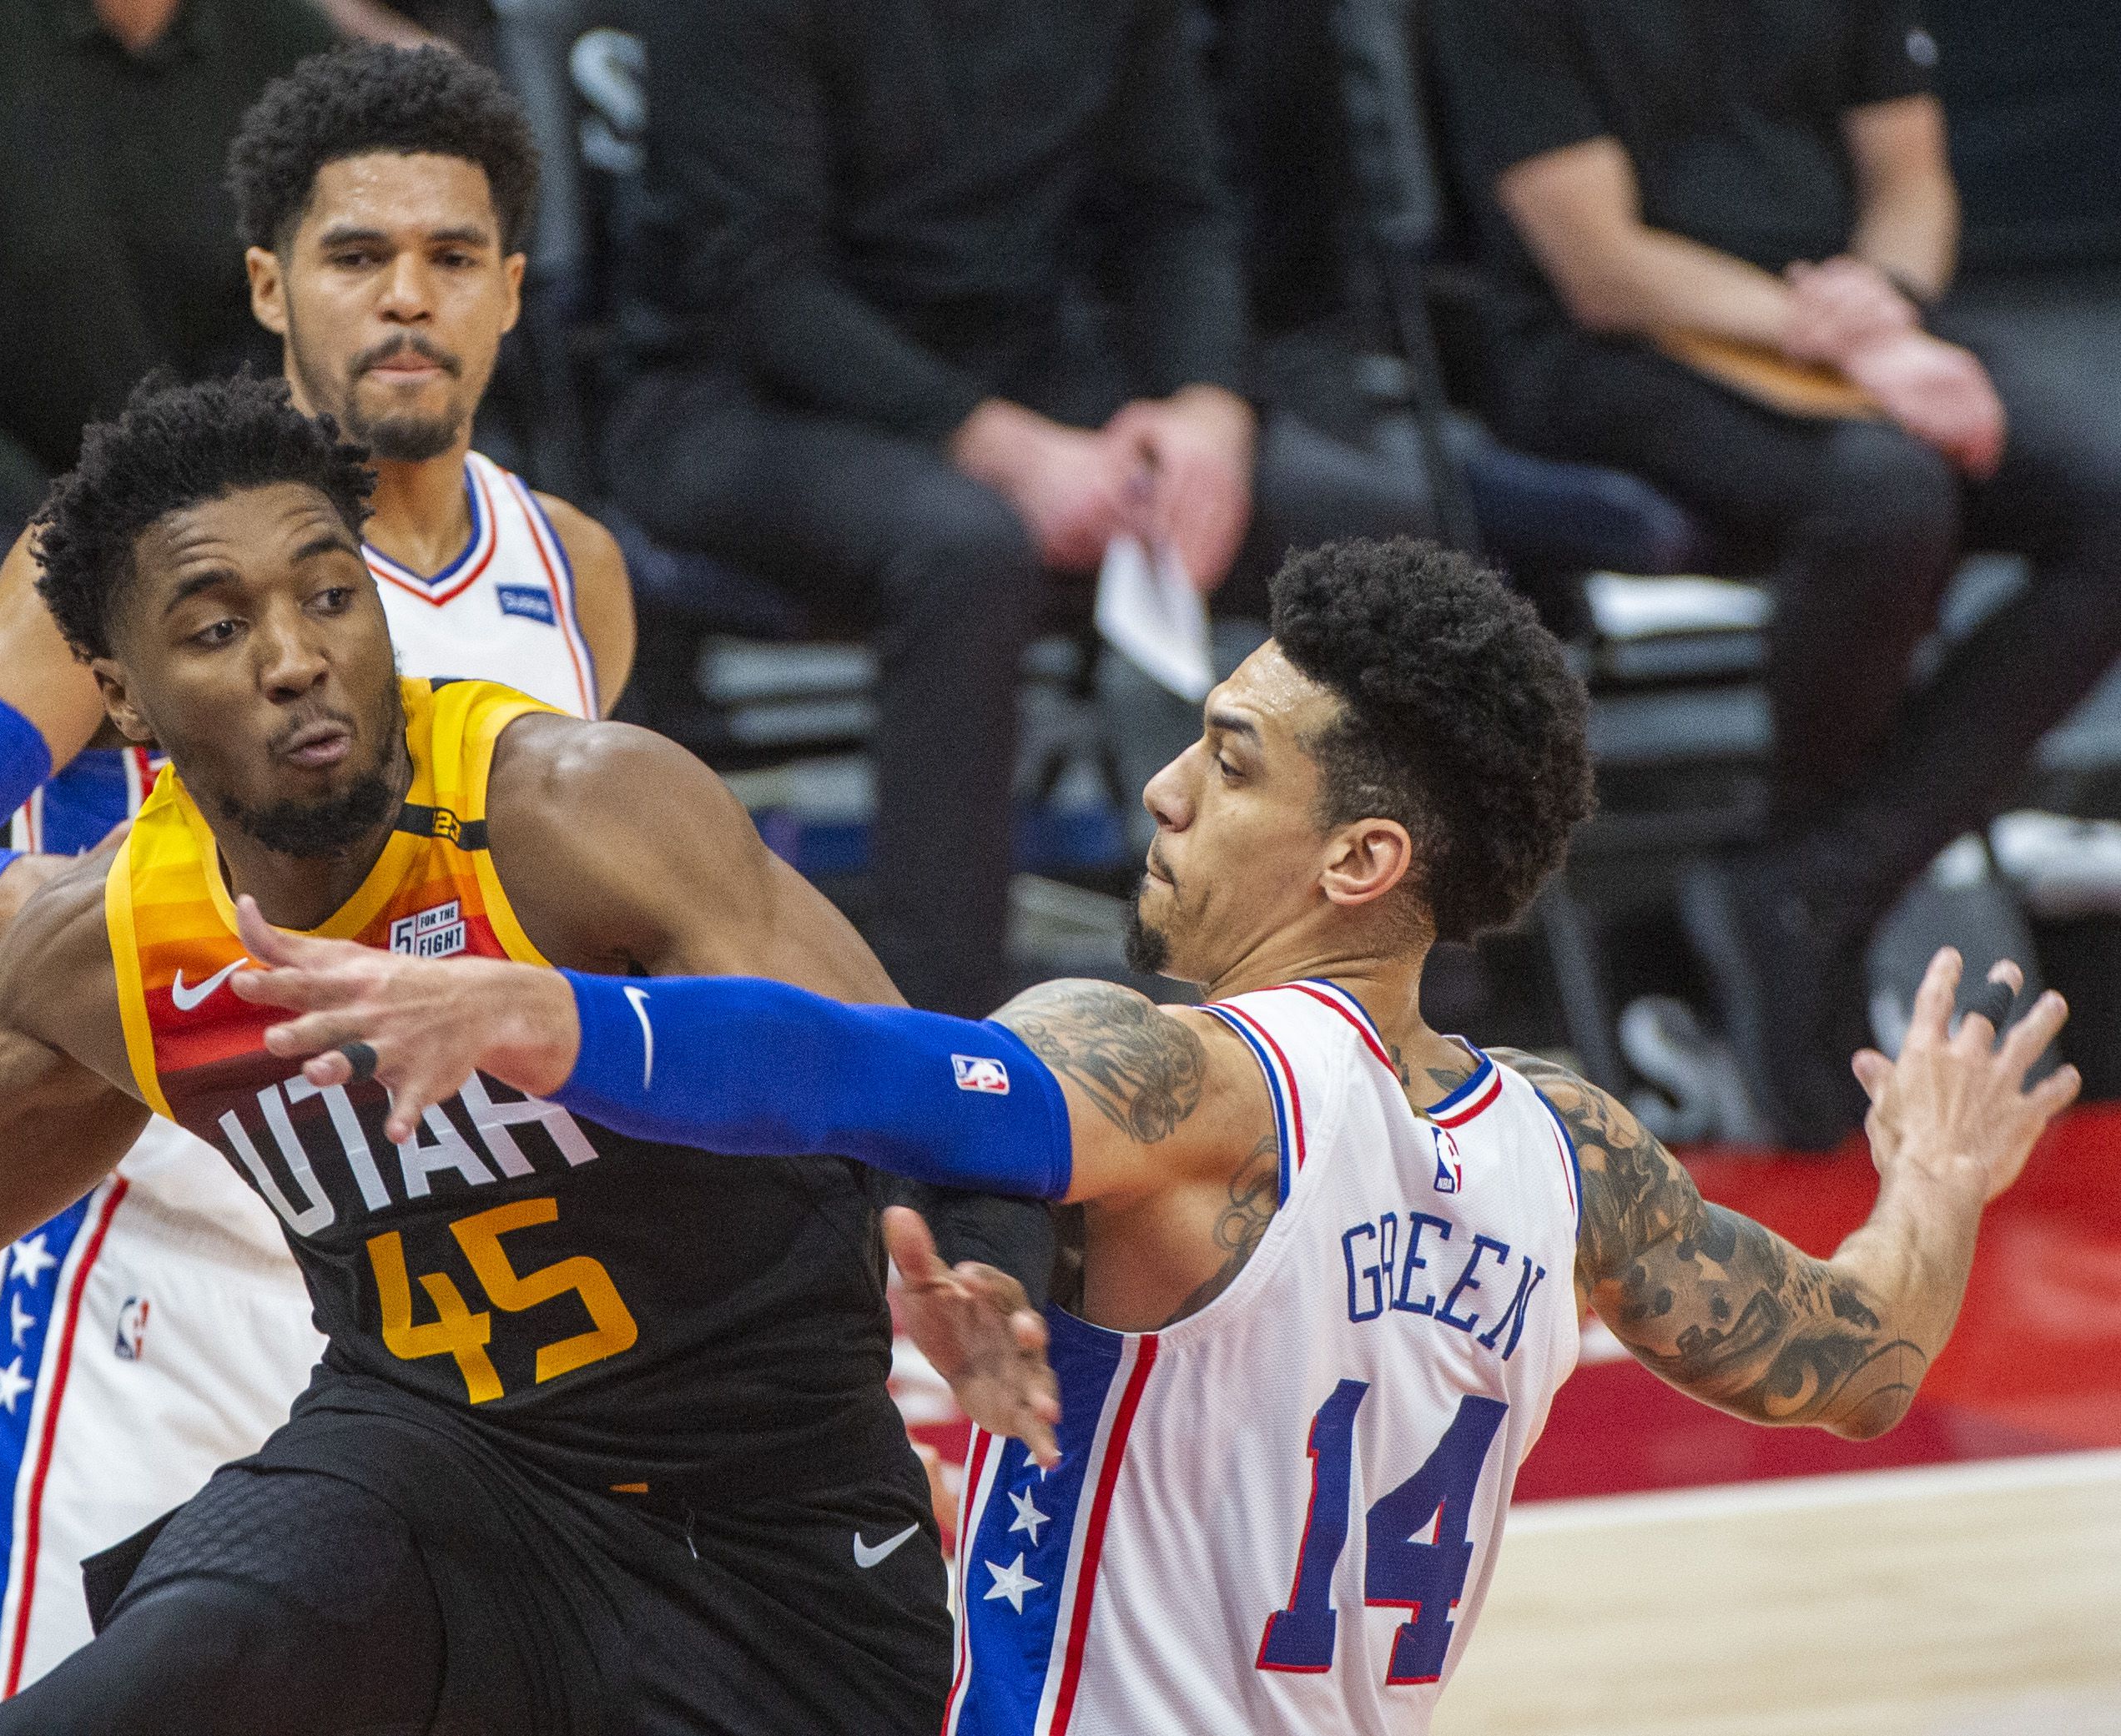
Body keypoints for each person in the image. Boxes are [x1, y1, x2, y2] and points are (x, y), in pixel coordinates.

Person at [229, 537, 2078, 1732]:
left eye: (1230, 757)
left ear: (1362, 862)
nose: (1162, 787)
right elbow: (1862, 1358)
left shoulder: (1204, 1080)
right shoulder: (1568, 1152)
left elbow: (873, 1069)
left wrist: (554, 1012)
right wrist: (1932, 1174)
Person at [0, 372, 1055, 1733]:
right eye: (217, 626)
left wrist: (978, 1263)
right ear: (124, 699)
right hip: (435, 1473)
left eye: (327, 593)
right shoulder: (131, 940)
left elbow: (904, 1072)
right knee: (170, 1659)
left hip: (762, 1515)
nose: (293, 654)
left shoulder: (569, 811)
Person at [0, 47, 634, 1729]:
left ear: (512, 289)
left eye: (450, 256)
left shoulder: (568, 570)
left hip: (444, 1325)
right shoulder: (146, 566)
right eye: (355, 255)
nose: (405, 298)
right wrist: (43, 914)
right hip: (153, 1302)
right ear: (265, 283)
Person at [1426, 0, 2121, 1145]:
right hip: (1607, 354)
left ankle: (1819, 875)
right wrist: (1844, 342)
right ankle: (1808, 883)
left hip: (1846, 337)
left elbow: (1908, 176)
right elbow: (1599, 266)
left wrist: (1886, 300)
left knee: (2099, 505)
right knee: (1886, 492)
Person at [604, 0, 1261, 1019]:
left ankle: (1391, 1034)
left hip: (1032, 364)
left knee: (1362, 510)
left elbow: (1175, 206)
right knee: (968, 548)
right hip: (739, 397)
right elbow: (761, 282)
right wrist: (1013, 451)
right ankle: (936, 1055)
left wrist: (1208, 413)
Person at [0, 0, 336, 656]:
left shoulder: (288, 40)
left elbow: (301, 333)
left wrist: (214, 500)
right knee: (110, 627)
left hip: (200, 493)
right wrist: (89, 521)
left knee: (357, 597)